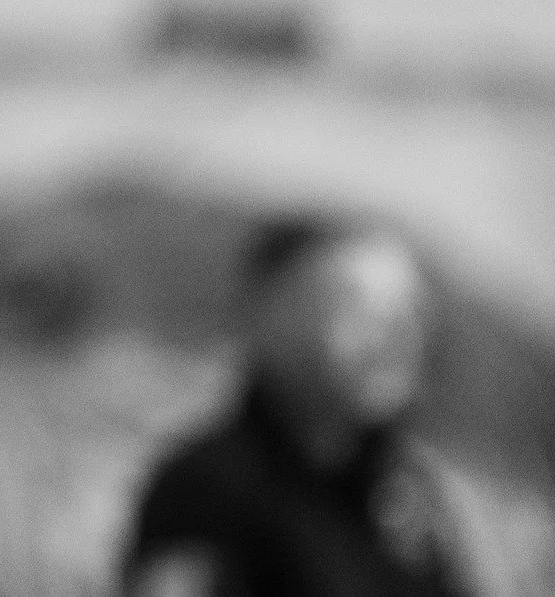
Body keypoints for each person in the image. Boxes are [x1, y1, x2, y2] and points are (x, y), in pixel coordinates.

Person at [124, 218, 468, 597]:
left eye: (411, 314)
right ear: (273, 316)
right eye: (358, 309)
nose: (394, 337)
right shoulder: (207, 488)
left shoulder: (408, 493)